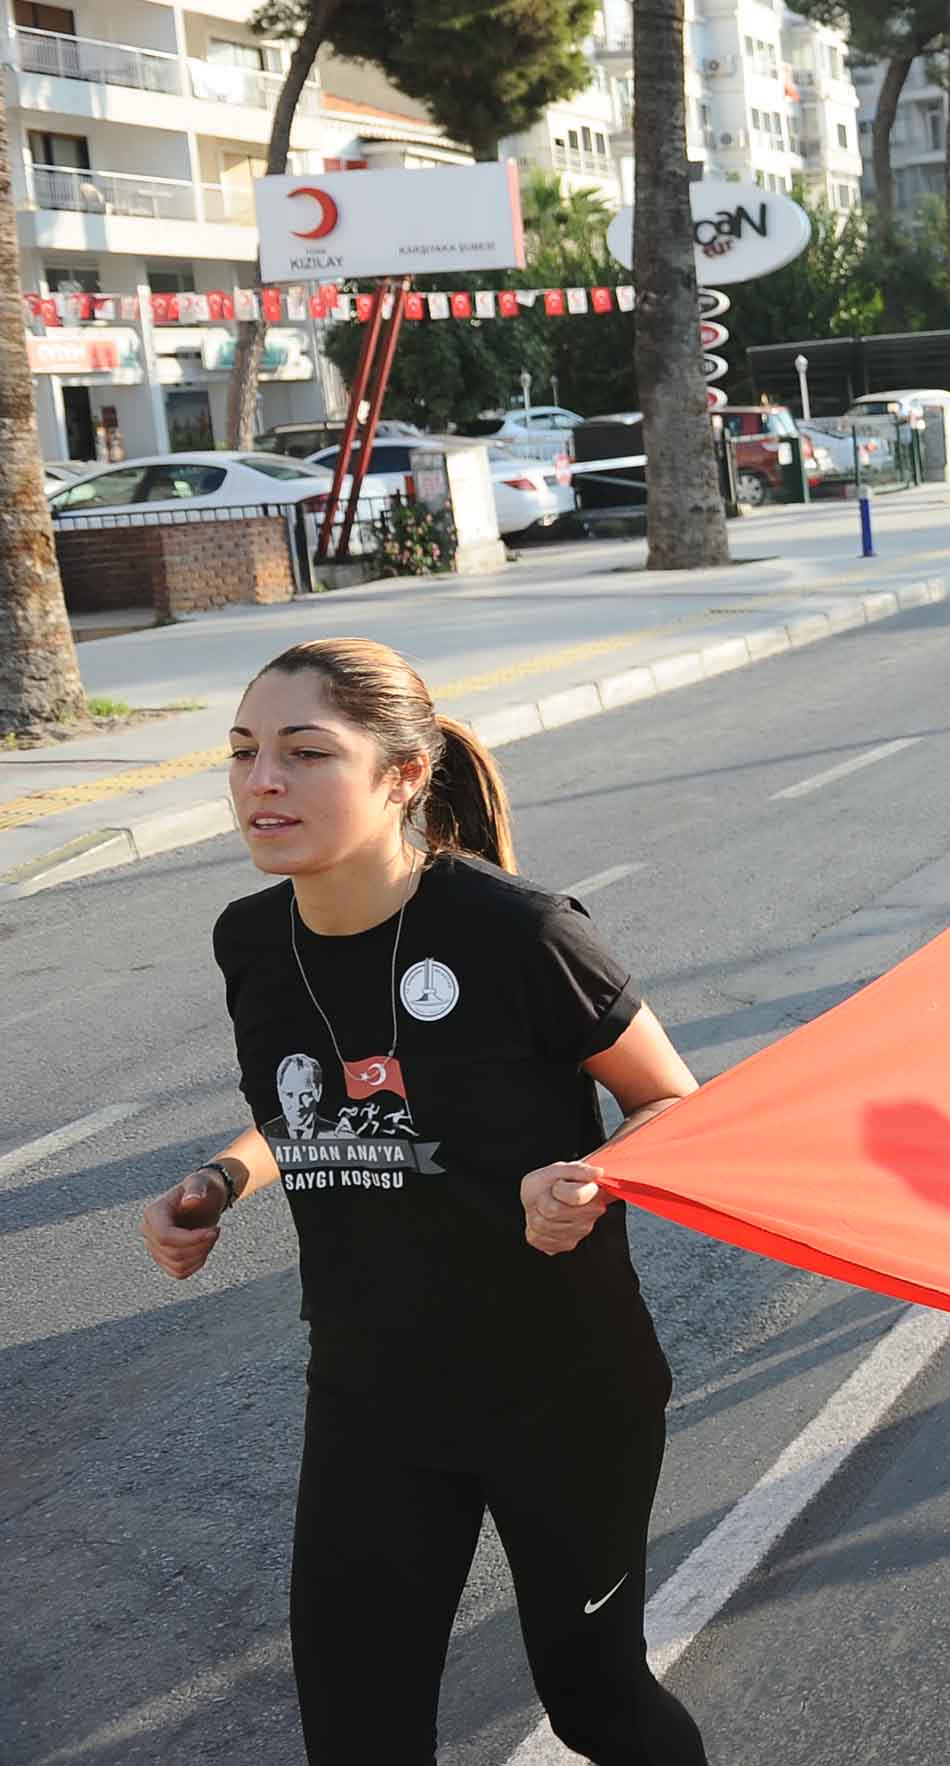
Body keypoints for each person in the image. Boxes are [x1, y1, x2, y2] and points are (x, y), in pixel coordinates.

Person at [140, 637, 710, 1765]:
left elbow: (677, 1104)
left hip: (564, 1391)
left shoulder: (520, 931)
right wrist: (221, 1181)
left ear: (402, 775)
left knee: (596, 1705)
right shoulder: (251, 941)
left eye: (306, 753)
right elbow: (320, 1108)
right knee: (356, 1734)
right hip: (372, 1388)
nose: (262, 782)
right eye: (245, 752)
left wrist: (588, 1180)